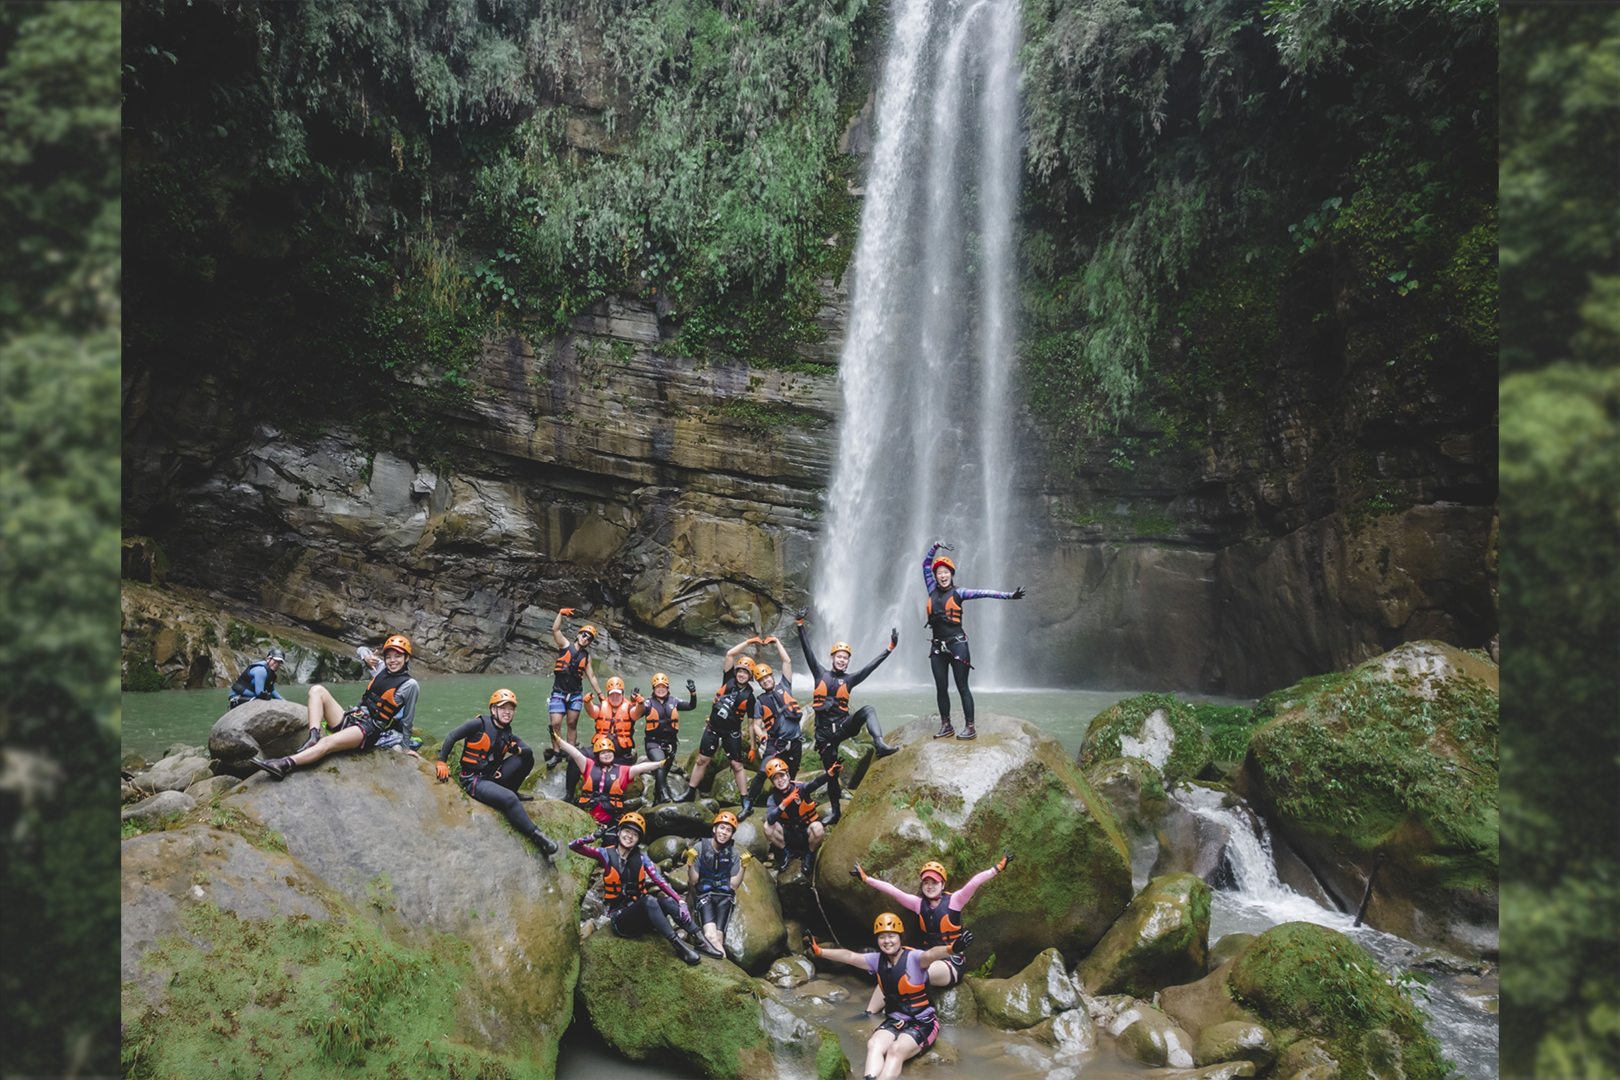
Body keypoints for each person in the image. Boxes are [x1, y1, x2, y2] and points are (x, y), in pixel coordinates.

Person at [805, 915, 971, 1080]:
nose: (887, 941)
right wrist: (820, 951)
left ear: (900, 937)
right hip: (896, 1020)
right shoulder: (877, 960)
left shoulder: (914, 958)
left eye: (891, 936)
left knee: (895, 1050)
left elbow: (931, 954)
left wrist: (951, 949)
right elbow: (850, 957)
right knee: (874, 1044)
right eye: (882, 937)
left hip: (923, 1022)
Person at [850, 853, 1012, 1017]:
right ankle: (868, 1013)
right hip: (930, 958)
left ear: (942, 884)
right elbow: (893, 891)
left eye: (934, 882)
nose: (929, 886)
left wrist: (997, 868)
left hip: (951, 964)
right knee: (889, 967)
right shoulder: (918, 904)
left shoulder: (955, 901)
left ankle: (900, 1010)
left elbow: (974, 883)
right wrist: (866, 879)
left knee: (903, 970)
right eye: (926, 882)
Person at [252, 635, 422, 778]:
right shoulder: (381, 667)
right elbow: (361, 648)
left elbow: (408, 719)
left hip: (368, 730)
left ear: (406, 658)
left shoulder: (410, 685)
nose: (392, 661)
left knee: (328, 743)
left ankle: (285, 764)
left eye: (398, 656)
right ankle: (313, 738)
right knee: (317, 690)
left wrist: (406, 748)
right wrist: (366, 657)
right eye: (389, 656)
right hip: (353, 717)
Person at [567, 812, 724, 965]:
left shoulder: (642, 858)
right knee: (649, 900)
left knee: (668, 901)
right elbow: (573, 846)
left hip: (642, 916)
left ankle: (699, 940)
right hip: (620, 920)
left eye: (634, 834)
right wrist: (593, 837)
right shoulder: (605, 854)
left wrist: (679, 901)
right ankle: (677, 944)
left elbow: (660, 882)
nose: (629, 836)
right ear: (619, 832)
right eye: (627, 831)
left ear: (638, 840)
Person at [795, 612, 899, 825]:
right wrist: (799, 626)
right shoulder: (819, 673)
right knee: (831, 774)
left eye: (845, 658)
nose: (842, 660)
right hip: (825, 735)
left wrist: (889, 649)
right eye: (838, 657)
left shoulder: (850, 680)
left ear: (848, 662)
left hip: (843, 726)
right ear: (832, 658)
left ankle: (879, 743)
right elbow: (808, 652)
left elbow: (870, 668)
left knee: (868, 709)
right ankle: (835, 812)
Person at [434, 688, 558, 858]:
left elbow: (528, 751)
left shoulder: (508, 732)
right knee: (509, 799)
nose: (507, 712)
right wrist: (442, 762)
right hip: (474, 780)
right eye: (503, 708)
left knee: (526, 758)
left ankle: (512, 790)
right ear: (493, 710)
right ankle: (539, 838)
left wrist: (517, 749)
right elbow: (452, 736)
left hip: (492, 778)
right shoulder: (479, 724)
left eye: (511, 709)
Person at [922, 541, 1025, 740]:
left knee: (962, 687)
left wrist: (1010, 596)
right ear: (935, 576)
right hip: (937, 647)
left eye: (946, 572)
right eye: (939, 572)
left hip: (957, 645)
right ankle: (946, 725)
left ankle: (970, 726)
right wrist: (935, 546)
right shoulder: (931, 589)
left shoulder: (960, 593)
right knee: (941, 687)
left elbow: (984, 592)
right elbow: (926, 564)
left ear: (951, 574)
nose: (943, 575)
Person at [677, 638, 762, 802]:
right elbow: (730, 654)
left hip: (732, 733)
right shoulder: (728, 679)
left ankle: (745, 799)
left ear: (750, 676)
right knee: (702, 760)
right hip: (713, 728)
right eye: (740, 671)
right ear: (736, 672)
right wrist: (749, 642)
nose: (742, 674)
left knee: (737, 766)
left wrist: (752, 747)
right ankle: (690, 791)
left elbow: (751, 724)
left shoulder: (750, 698)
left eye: (746, 672)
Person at [740, 637, 802, 820]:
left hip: (795, 742)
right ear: (759, 683)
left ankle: (789, 808)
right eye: (762, 679)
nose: (766, 681)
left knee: (790, 776)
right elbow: (756, 726)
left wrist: (776, 642)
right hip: (775, 743)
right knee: (761, 773)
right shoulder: (760, 702)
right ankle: (748, 804)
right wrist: (761, 736)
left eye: (767, 677)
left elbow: (787, 661)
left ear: (772, 677)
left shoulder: (786, 687)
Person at [552, 731, 665, 831]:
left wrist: (660, 763)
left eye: (609, 752)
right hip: (587, 817)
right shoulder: (588, 766)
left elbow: (641, 767)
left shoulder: (622, 770)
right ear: (597, 755)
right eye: (603, 753)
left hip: (610, 821)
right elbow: (575, 753)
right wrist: (559, 740)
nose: (607, 755)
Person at [683, 810, 751, 956]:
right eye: (721, 828)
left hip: (724, 898)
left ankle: (724, 969)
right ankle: (728, 968)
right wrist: (690, 863)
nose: (724, 832)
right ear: (714, 829)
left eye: (728, 830)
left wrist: (743, 867)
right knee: (710, 936)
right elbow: (694, 880)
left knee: (718, 938)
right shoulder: (700, 848)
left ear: (731, 834)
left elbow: (733, 885)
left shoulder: (733, 853)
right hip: (705, 896)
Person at [546, 609, 605, 762]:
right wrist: (560, 613)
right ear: (579, 635)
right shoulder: (565, 645)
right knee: (555, 723)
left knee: (572, 724)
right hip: (559, 692)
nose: (585, 639)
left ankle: (571, 753)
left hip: (575, 694)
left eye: (589, 638)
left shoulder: (587, 657)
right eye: (584, 635)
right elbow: (555, 629)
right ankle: (557, 753)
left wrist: (600, 694)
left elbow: (591, 676)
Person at [762, 756, 837, 874]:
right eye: (775, 778)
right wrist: (785, 803)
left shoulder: (801, 788)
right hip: (789, 836)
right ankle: (787, 852)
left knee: (818, 828)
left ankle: (809, 855)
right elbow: (771, 820)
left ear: (787, 775)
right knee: (767, 827)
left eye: (781, 775)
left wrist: (830, 773)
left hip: (806, 833)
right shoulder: (773, 798)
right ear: (772, 782)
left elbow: (816, 782)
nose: (780, 780)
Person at [643, 672, 698, 804]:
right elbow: (635, 712)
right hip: (653, 742)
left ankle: (657, 800)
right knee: (660, 764)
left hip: (670, 743)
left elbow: (691, 706)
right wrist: (635, 702)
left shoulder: (675, 701)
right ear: (653, 689)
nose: (661, 689)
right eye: (658, 687)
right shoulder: (647, 703)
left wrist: (693, 693)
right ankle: (664, 794)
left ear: (667, 688)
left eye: (663, 687)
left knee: (662, 772)